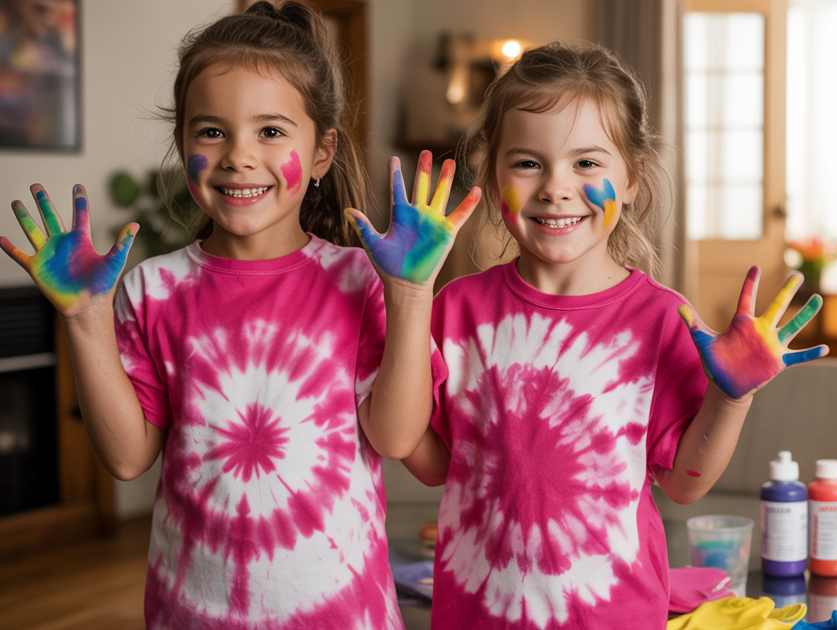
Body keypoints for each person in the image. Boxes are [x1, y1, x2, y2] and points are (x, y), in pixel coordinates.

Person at [0, 3, 478, 627]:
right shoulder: (153, 288)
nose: (238, 156)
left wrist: (411, 297)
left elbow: (395, 439)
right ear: (182, 143)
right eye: (212, 131)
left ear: (323, 151)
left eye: (271, 132)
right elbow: (126, 459)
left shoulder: (360, 281)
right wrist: (86, 319)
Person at [370, 41, 828, 630]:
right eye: (528, 163)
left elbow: (685, 485)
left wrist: (732, 396)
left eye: (587, 163)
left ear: (632, 178)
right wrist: (408, 298)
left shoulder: (662, 319)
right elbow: (419, 457)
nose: (556, 188)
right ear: (491, 173)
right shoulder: (458, 308)